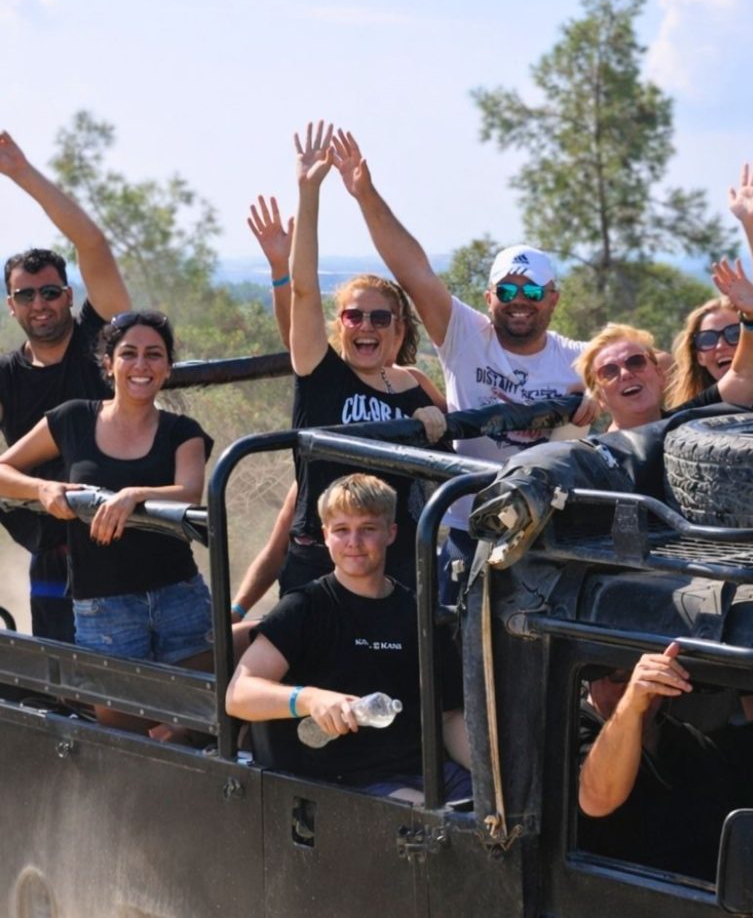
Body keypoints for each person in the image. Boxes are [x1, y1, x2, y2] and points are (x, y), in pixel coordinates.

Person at [329, 129, 595, 602]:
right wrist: (364, 194)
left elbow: (646, 364)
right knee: (453, 647)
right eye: (507, 291)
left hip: (545, 533)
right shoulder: (466, 338)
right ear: (490, 297)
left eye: (532, 292)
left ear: (552, 298)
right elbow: (412, 270)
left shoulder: (576, 358)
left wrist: (598, 393)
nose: (519, 302)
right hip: (465, 527)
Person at [0, 311, 214, 731]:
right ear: (108, 363)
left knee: (196, 724)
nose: (141, 365)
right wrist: (43, 489)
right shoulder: (73, 418)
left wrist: (133, 496)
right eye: (129, 354)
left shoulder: (182, 431)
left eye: (154, 355)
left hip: (179, 599)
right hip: (104, 605)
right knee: (123, 735)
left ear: (167, 367)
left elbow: (189, 492)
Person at [275, 122, 447, 596]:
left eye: (379, 317)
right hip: (322, 560)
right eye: (354, 316)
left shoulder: (414, 386)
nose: (366, 325)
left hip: (396, 563)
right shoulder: (320, 372)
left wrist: (435, 424)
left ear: (398, 328)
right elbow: (303, 288)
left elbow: (450, 457)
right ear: (340, 324)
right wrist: (309, 192)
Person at [225, 473, 471, 800]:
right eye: (341, 530)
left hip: (428, 772)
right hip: (345, 784)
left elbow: (449, 716)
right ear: (326, 536)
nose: (354, 542)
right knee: (440, 825)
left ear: (391, 533)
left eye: (368, 529)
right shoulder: (304, 607)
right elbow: (239, 694)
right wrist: (311, 699)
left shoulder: (418, 612)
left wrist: (495, 776)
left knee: (506, 812)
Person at [0, 130, 131, 642]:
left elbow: (92, 243)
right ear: (11, 306)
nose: (40, 304)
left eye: (50, 291)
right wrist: (40, 490)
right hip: (52, 551)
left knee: (141, 683)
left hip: (125, 538)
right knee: (64, 681)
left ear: (68, 294)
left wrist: (22, 174)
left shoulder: (101, 344)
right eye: (26, 295)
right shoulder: (6, 376)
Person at [578, 643, 753, 898]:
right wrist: (631, 704)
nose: (633, 687)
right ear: (592, 680)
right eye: (619, 675)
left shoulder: (686, 742)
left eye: (648, 675)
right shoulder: (575, 728)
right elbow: (596, 799)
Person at [667, 160, 753, 411]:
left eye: (734, 333)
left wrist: (752, 224)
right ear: (698, 356)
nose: (721, 345)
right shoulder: (694, 415)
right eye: (707, 339)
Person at [576, 258, 753, 431]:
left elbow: (746, 375)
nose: (626, 374)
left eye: (636, 362)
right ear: (599, 398)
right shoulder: (593, 458)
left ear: (659, 374)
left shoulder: (688, 424)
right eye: (609, 372)